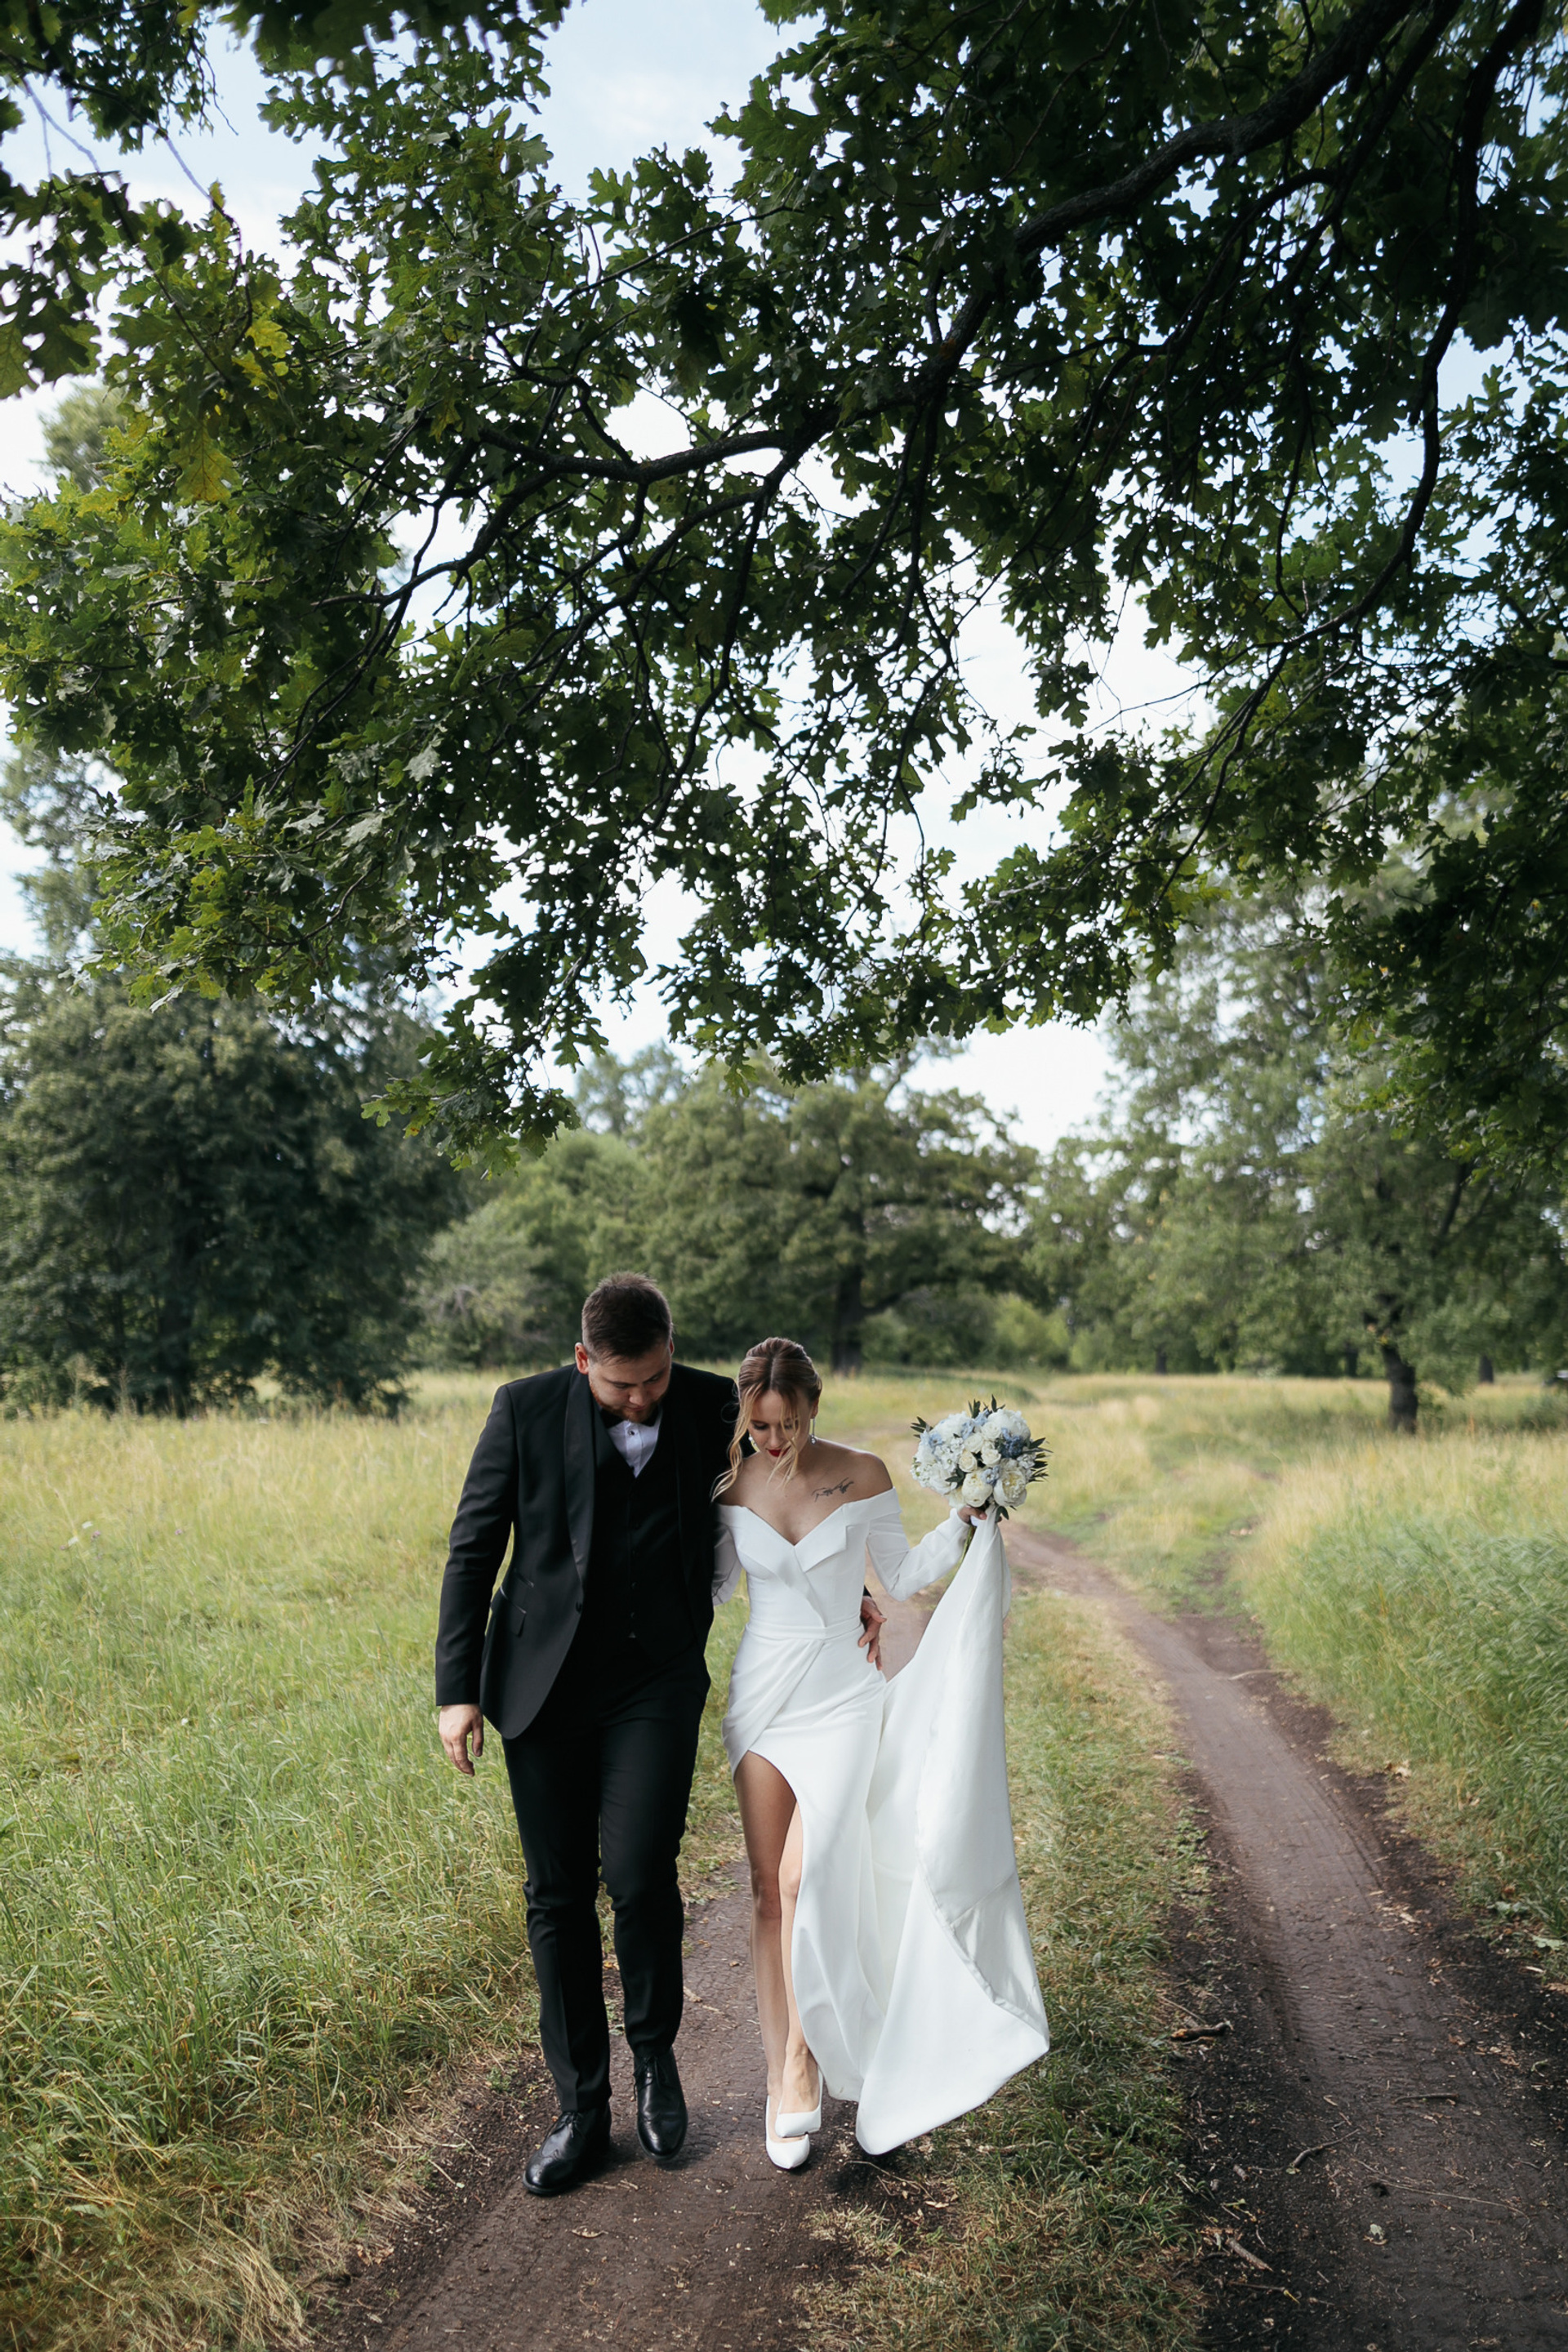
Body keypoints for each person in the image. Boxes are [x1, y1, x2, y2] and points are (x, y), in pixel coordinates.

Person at [432, 1274, 737, 2196]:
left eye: (655, 1379)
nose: (641, 1400)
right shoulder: (522, 1410)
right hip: (544, 1686)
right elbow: (473, 1547)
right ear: (581, 1360)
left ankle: (656, 2062)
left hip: (655, 1681)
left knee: (641, 1874)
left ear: (672, 1353)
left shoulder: (713, 1403)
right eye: (621, 1385)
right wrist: (457, 1692)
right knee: (557, 1896)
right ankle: (582, 2110)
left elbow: (790, 1485)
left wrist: (864, 1583)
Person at [715, 1337, 1049, 2167]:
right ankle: (780, 2072)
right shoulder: (728, 1484)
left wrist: (963, 1521)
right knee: (768, 1890)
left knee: (807, 1876)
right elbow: (712, 1587)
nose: (774, 1441)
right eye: (760, 1427)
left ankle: (807, 2058)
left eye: (788, 1424)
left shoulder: (860, 1474)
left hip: (841, 1694)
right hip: (762, 1693)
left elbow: (897, 1577)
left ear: (813, 1407)